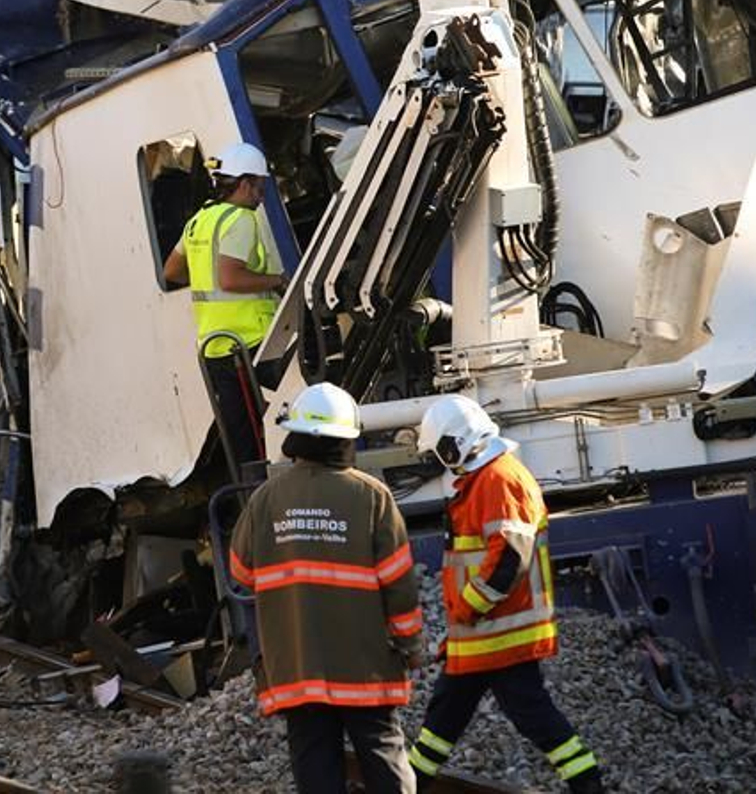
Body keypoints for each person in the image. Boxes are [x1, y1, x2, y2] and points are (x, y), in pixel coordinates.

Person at [229, 382, 423, 793]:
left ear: (296, 437)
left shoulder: (265, 499)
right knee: (384, 757)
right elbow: (398, 584)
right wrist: (410, 646)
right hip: (364, 664)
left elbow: (241, 573)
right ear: (346, 441)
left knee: (314, 765)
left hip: (297, 666)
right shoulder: (372, 497)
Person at [408, 395, 603, 793]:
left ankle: (589, 785)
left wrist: (467, 609)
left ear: (453, 445)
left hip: (499, 634)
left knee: (532, 717)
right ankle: (408, 785)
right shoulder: (486, 479)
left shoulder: (498, 479)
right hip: (484, 635)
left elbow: (509, 556)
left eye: (438, 452)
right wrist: (461, 626)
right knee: (444, 717)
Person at [163, 142, 284, 470]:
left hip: (215, 346)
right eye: (259, 187)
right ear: (244, 184)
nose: (261, 196)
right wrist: (278, 281)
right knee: (297, 411)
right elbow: (231, 279)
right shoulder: (241, 219)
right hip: (252, 344)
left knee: (243, 439)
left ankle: (254, 502)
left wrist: (206, 277)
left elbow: (171, 271)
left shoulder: (200, 220)